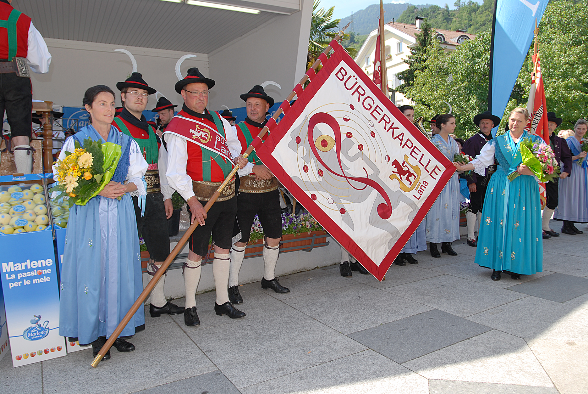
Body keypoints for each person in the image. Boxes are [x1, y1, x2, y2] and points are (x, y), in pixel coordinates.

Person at [56, 85, 148, 360]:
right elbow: (63, 179)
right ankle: (96, 334)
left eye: (111, 105)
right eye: (102, 104)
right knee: (92, 271)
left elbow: (140, 179)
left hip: (119, 214)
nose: (109, 110)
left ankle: (117, 330)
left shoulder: (126, 142)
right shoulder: (77, 142)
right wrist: (98, 189)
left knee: (119, 269)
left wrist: (125, 187)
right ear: (88, 108)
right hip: (89, 215)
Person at [165, 68, 247, 326]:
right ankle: (190, 305)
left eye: (204, 92)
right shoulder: (178, 127)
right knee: (196, 253)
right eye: (195, 93)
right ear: (183, 94)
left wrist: (239, 159)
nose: (201, 97)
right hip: (200, 200)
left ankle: (222, 301)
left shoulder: (220, 121)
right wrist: (191, 202)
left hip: (227, 195)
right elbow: (175, 172)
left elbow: (233, 148)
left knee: (223, 248)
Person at [113, 73, 184, 319]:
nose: (140, 98)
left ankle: (158, 302)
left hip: (153, 198)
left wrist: (166, 197)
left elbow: (161, 165)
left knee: (160, 252)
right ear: (123, 97)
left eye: (144, 94)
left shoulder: (152, 130)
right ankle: (123, 311)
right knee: (123, 254)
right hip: (124, 199)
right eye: (134, 93)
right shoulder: (114, 127)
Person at [455, 108, 543, 281]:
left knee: (519, 223)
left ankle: (516, 265)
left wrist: (532, 170)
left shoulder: (535, 141)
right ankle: (496, 265)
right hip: (501, 183)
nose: (514, 123)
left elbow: (548, 167)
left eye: (519, 120)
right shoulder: (498, 141)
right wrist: (462, 168)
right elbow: (481, 161)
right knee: (499, 222)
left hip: (524, 186)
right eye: (512, 120)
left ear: (526, 122)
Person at [228, 85, 296, 304]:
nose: (252, 108)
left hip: (270, 193)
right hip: (245, 193)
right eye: (249, 104)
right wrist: (252, 169)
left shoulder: (274, 130)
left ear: (268, 107)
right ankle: (232, 284)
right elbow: (231, 158)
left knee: (274, 235)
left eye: (257, 104)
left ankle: (268, 278)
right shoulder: (236, 130)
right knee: (240, 239)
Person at [0, 0, 51, 174]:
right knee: (21, 132)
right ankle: (23, 182)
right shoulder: (22, 19)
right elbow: (42, 64)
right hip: (15, 76)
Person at [461, 111, 501, 247]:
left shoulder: (496, 141)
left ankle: (482, 234)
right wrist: (471, 181)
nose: (485, 125)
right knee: (474, 205)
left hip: (492, 179)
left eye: (487, 123)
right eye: (482, 123)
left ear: (492, 125)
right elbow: (467, 161)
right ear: (479, 125)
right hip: (477, 179)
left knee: (485, 206)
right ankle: (471, 236)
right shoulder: (473, 141)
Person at [426, 114, 460, 258]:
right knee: (437, 210)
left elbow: (458, 157)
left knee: (451, 210)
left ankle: (447, 242)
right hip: (439, 180)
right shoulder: (434, 141)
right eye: (451, 123)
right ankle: (433, 243)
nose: (454, 126)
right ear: (443, 125)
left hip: (452, 180)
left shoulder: (452, 142)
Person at [395, 105, 426, 266]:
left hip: (412, 180)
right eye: (408, 115)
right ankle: (397, 253)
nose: (411, 119)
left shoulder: (416, 134)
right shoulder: (393, 133)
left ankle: (409, 250)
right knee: (399, 217)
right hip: (398, 180)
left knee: (410, 216)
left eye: (412, 116)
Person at [553, 119, 588, 235]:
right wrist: (578, 156)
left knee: (577, 197)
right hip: (570, 171)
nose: (581, 131)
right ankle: (566, 224)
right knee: (569, 196)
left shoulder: (585, 142)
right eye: (579, 128)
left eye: (583, 129)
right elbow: (564, 159)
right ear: (575, 129)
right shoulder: (569, 141)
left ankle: (572, 224)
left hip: (581, 172)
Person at [541, 112, 572, 238]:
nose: (549, 126)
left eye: (552, 124)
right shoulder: (537, 138)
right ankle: (536, 228)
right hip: (537, 175)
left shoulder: (560, 141)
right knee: (538, 201)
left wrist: (567, 171)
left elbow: (567, 157)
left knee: (553, 200)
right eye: (547, 123)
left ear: (555, 126)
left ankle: (545, 226)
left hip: (553, 175)